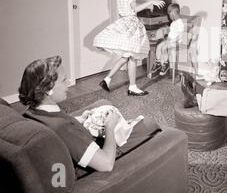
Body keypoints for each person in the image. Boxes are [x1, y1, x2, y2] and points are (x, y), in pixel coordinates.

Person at [18, 56, 160, 172]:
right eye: (63, 80)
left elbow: (60, 124)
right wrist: (109, 127)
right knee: (149, 123)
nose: (68, 83)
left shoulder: (32, 112)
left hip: (79, 138)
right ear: (48, 89)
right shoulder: (64, 128)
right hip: (101, 154)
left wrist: (78, 119)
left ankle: (124, 124)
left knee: (106, 106)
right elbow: (106, 164)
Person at [93, 0, 165, 96]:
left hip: (123, 23)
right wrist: (151, 2)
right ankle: (132, 87)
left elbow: (126, 9)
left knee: (126, 56)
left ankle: (107, 79)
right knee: (133, 56)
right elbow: (135, 9)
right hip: (131, 24)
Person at [150, 4, 185, 76]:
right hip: (170, 40)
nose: (169, 16)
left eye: (169, 14)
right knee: (159, 46)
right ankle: (158, 63)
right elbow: (171, 34)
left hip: (177, 42)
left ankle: (166, 64)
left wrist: (171, 41)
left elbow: (180, 36)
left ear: (173, 13)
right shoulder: (173, 23)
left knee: (164, 47)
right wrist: (166, 39)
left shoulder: (180, 23)